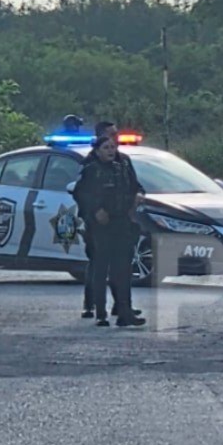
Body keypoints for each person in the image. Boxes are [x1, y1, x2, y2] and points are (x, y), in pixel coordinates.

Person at [73, 135, 146, 327]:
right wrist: (95, 211)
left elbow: (136, 186)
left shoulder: (121, 168)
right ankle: (100, 312)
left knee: (122, 270)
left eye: (113, 147)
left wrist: (139, 194)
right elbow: (80, 194)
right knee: (100, 268)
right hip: (100, 226)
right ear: (97, 150)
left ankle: (125, 312)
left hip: (122, 222)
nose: (111, 151)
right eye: (106, 148)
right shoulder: (91, 170)